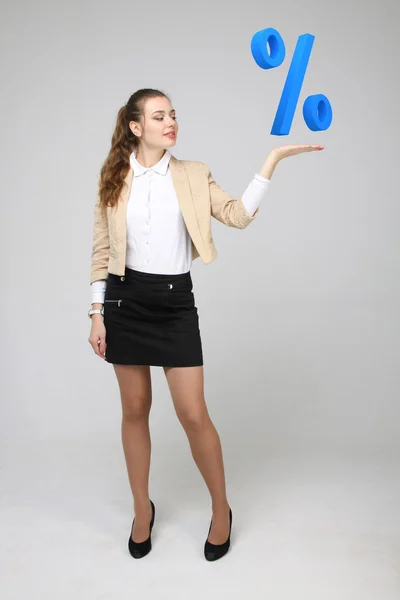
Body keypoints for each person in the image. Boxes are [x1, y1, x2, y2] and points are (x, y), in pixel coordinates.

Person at [88, 88, 324, 561]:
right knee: (134, 409)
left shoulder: (193, 174)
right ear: (136, 127)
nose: (171, 122)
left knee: (193, 413)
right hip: (124, 300)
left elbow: (237, 215)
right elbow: (100, 249)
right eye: (159, 116)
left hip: (175, 304)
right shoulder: (114, 177)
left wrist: (272, 160)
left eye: (173, 114)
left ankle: (221, 510)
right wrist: (97, 312)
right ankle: (141, 510)